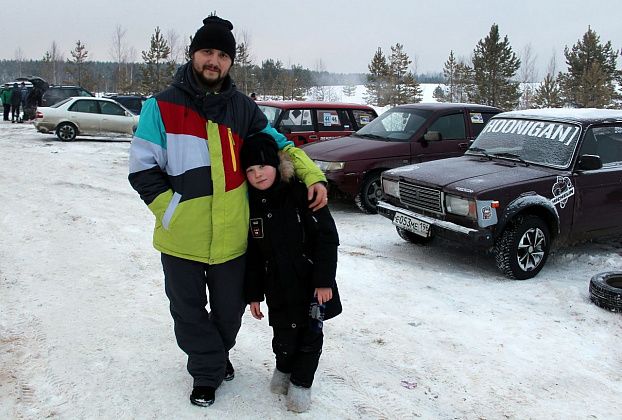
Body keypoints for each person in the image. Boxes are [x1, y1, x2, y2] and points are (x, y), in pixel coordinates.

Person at [127, 15, 328, 408]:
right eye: (207, 52)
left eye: (222, 55)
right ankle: (208, 371)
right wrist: (171, 211)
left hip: (233, 235)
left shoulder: (243, 109)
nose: (213, 61)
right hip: (181, 235)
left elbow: (281, 147)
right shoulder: (160, 106)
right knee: (187, 311)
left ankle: (216, 355)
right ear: (192, 54)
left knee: (229, 311)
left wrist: (312, 175)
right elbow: (142, 168)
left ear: (231, 62)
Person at [241, 134, 341, 413]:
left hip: (312, 285)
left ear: (276, 165)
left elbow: (326, 238)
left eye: (263, 166)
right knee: (283, 335)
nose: (258, 174)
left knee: (310, 336)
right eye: (250, 170)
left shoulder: (300, 193)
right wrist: (253, 294)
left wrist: (324, 281)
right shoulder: (251, 205)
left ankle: (301, 384)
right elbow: (253, 254)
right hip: (277, 286)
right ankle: (284, 369)